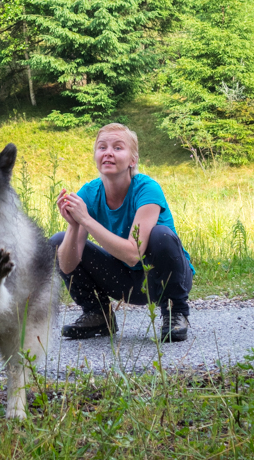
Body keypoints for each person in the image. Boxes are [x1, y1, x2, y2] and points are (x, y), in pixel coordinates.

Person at [51, 123, 194, 342]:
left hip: (160, 279)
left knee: (161, 235)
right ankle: (98, 314)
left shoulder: (147, 189)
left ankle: (175, 312)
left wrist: (86, 220)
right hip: (124, 282)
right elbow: (68, 265)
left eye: (118, 148)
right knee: (58, 242)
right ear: (96, 156)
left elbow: (132, 254)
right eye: (102, 147)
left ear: (132, 160)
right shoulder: (88, 193)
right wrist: (74, 224)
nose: (108, 152)